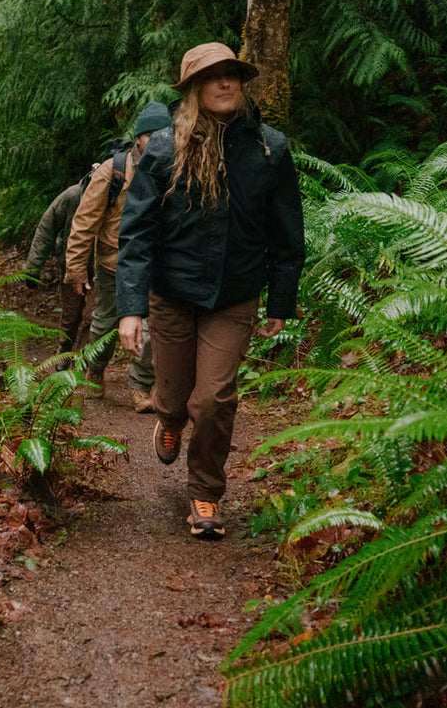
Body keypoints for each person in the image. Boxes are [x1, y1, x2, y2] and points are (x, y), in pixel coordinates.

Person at [117, 43, 305, 539]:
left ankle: (205, 493)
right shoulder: (164, 148)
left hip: (235, 294)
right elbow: (136, 232)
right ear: (193, 89)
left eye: (232, 74)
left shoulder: (269, 148)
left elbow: (287, 231)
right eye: (212, 76)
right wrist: (131, 309)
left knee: (215, 398)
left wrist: (280, 301)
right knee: (176, 397)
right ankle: (169, 418)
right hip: (173, 294)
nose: (224, 83)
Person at [65, 102, 173, 411]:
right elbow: (85, 221)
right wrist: (76, 267)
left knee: (152, 331)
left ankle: (141, 385)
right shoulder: (114, 170)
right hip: (114, 266)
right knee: (105, 326)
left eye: (164, 135)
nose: (157, 141)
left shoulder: (176, 169)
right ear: (139, 138)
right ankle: (95, 369)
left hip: (156, 267)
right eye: (150, 135)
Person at [25, 175, 91, 353]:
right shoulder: (72, 197)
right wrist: (33, 268)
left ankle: (85, 359)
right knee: (71, 315)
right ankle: (64, 350)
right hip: (72, 264)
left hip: (101, 268)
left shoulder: (116, 197)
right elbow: (46, 229)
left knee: (93, 316)